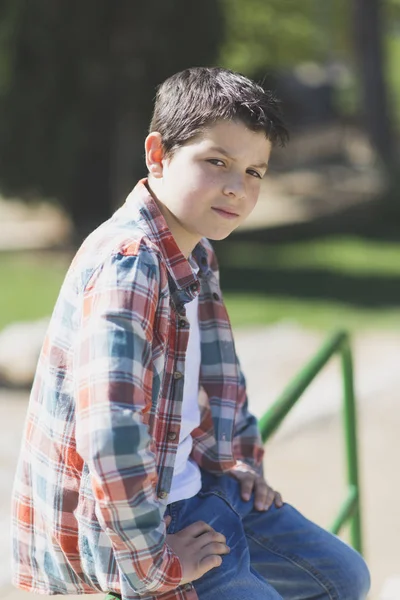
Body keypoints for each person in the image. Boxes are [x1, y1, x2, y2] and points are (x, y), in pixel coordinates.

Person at [11, 67, 370, 600]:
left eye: (254, 171)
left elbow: (221, 377)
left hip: (203, 485)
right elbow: (110, 434)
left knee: (345, 578)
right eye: (217, 162)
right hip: (141, 531)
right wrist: (156, 563)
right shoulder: (130, 264)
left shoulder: (196, 249)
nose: (237, 188)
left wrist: (241, 460)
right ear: (157, 155)